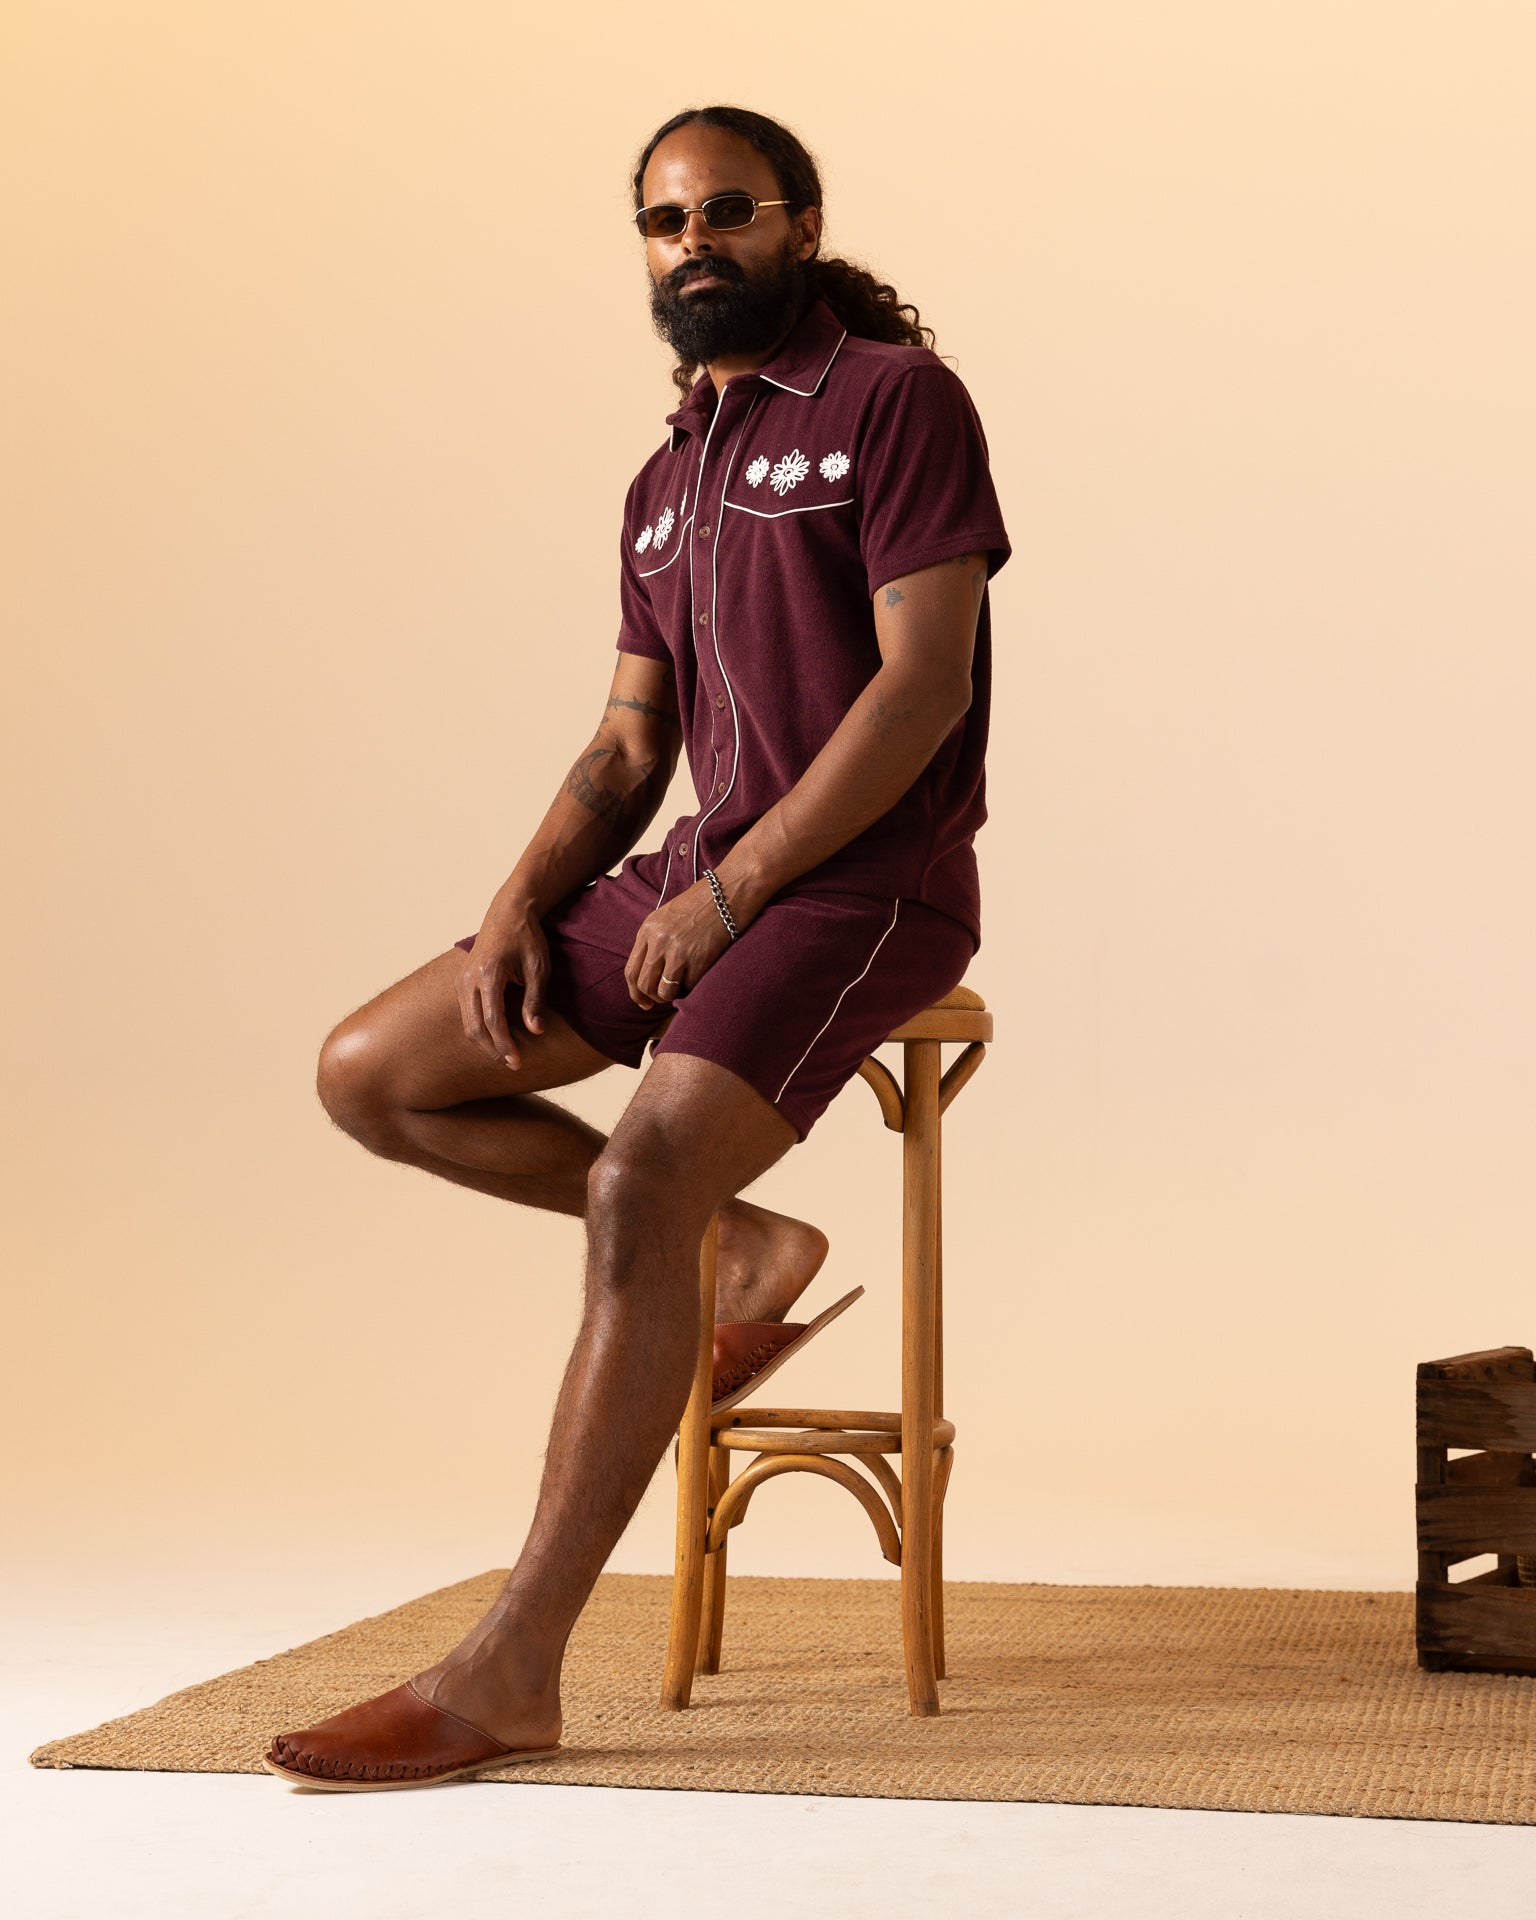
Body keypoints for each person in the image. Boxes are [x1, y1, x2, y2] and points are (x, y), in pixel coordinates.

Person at [264, 103, 1010, 1790]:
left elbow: (921, 692)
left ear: (799, 224)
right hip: (700, 873)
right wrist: (520, 899)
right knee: (375, 1073)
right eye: (666, 222)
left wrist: (731, 899)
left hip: (866, 888)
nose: (695, 245)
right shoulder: (666, 479)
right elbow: (628, 740)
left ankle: (508, 1670)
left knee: (632, 1183)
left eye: (728, 212)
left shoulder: (895, 402)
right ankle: (749, 1249)